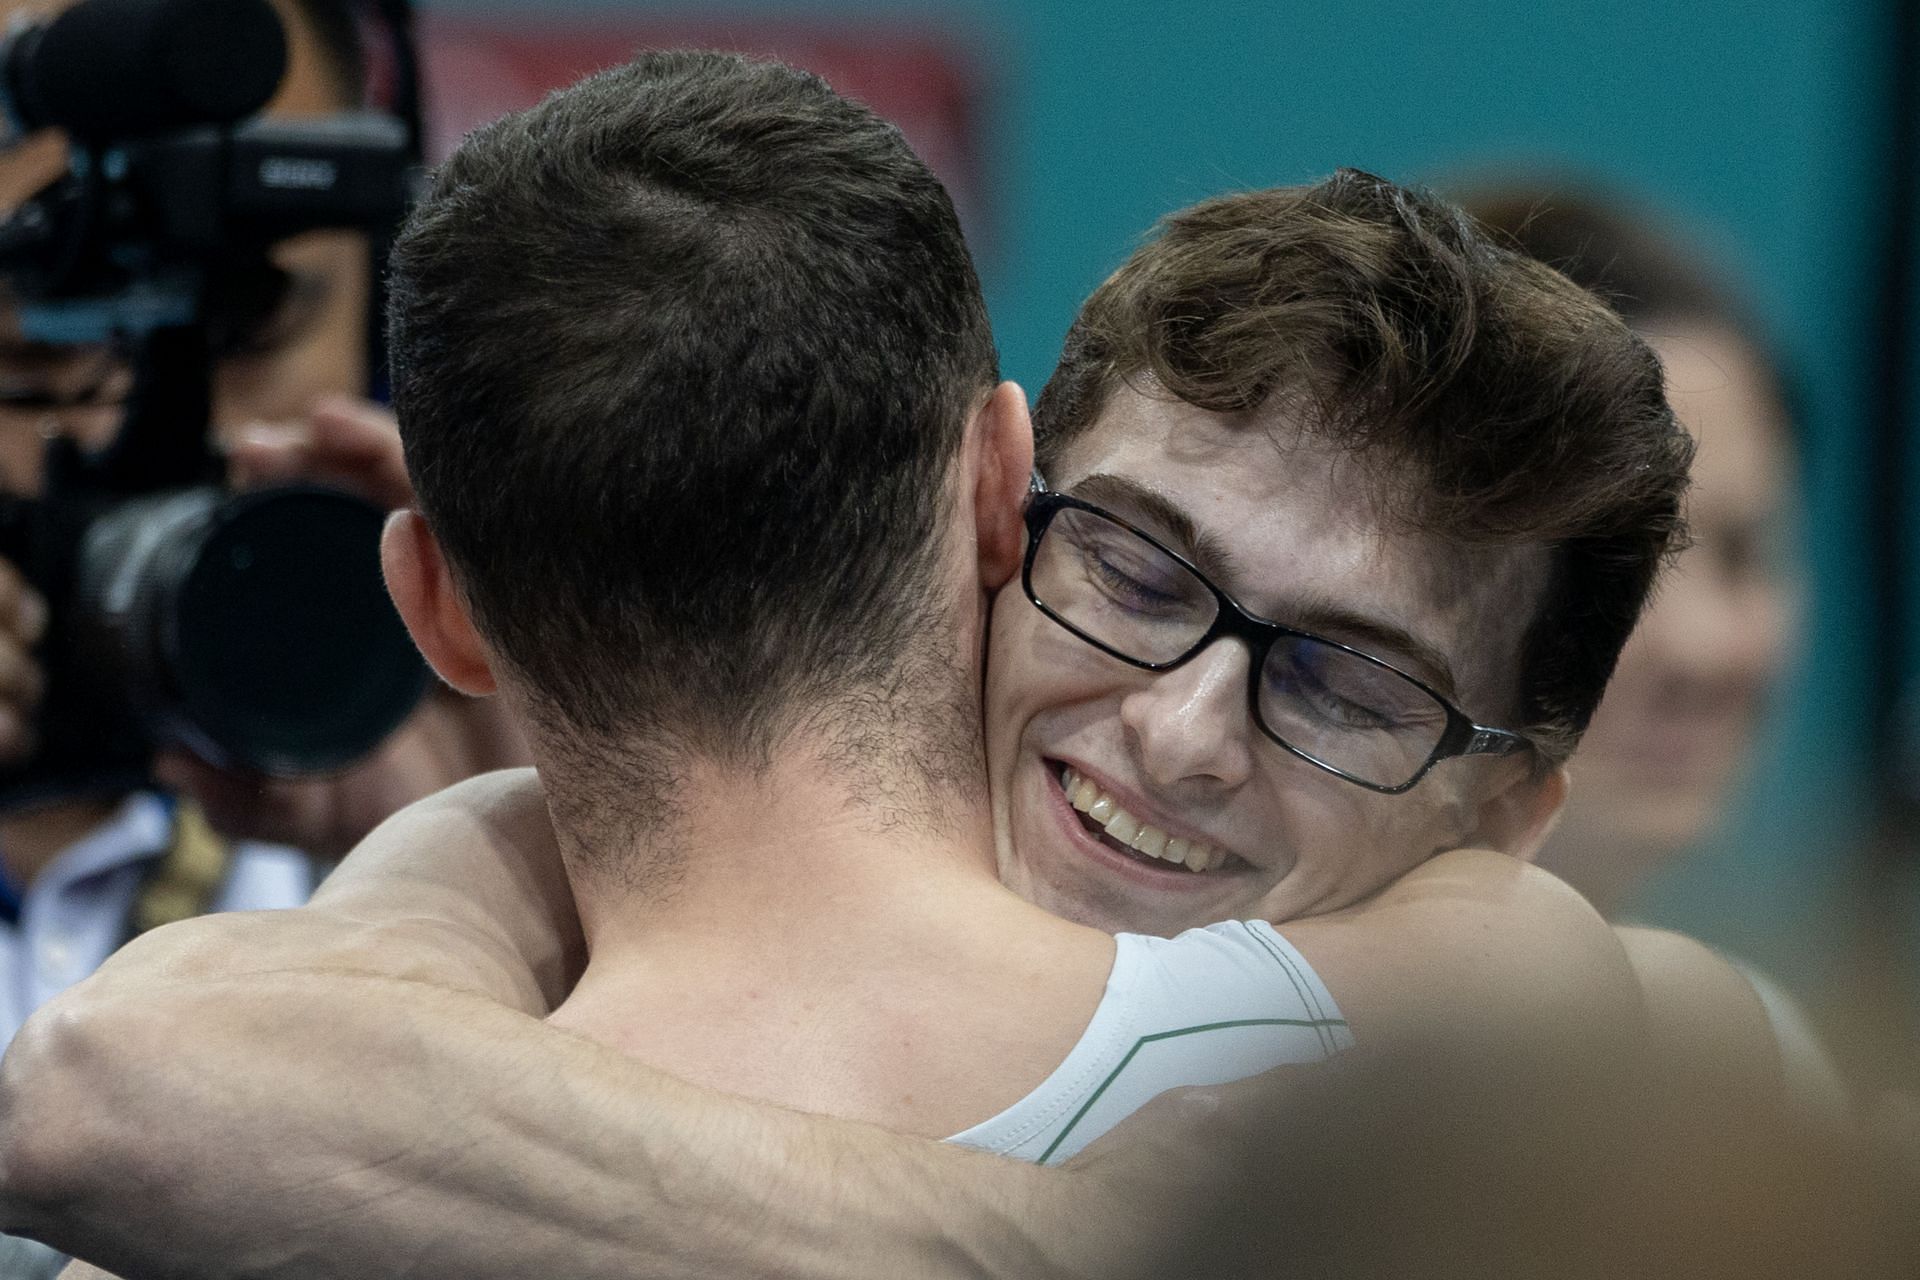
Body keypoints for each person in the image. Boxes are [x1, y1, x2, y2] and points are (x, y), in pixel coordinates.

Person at [4, 95, 1742, 1278]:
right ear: (999, 506)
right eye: (1135, 573)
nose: (1181, 730)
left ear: (1513, 816)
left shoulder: (1561, 1058)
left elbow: (135, 1083)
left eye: (1352, 690)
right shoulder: (472, 909)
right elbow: (121, 1073)